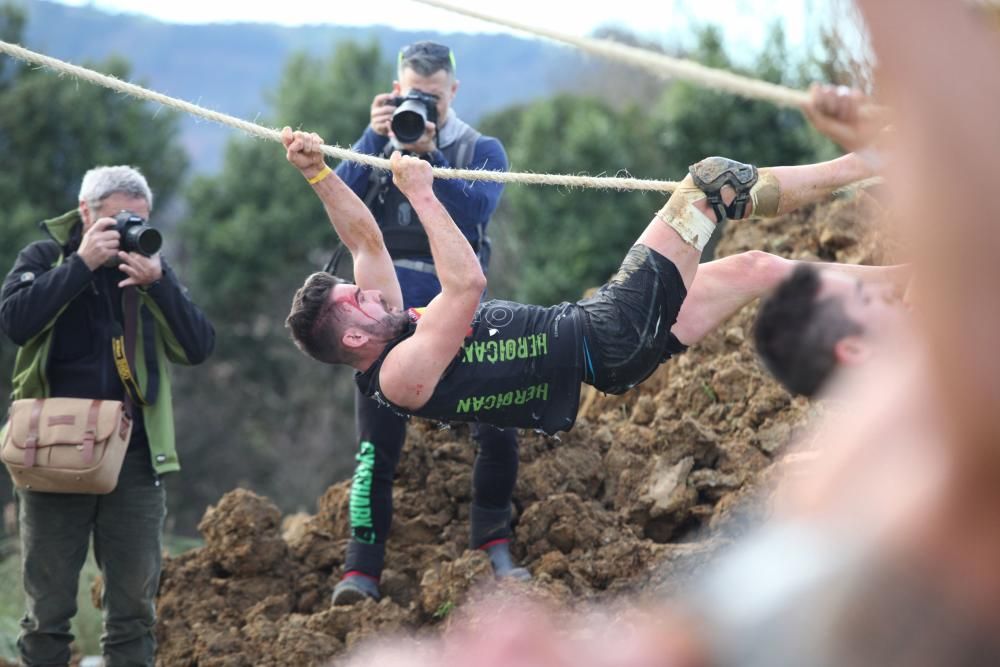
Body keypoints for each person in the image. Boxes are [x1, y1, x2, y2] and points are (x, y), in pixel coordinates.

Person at [282, 126, 894, 440]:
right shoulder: (398, 374)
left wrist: (317, 173)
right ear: (354, 342)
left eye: (356, 289)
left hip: (604, 333)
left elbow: (365, 240)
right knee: (712, 183)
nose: (369, 293)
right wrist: (421, 193)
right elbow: (465, 284)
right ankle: (870, 162)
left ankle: (907, 284)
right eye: (356, 302)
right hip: (607, 339)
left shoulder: (382, 325)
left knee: (754, 268)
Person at [329, 40, 523, 604]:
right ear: (395, 89)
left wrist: (430, 157)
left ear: (452, 93)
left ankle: (494, 544)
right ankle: (360, 571)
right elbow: (339, 204)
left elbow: (474, 215)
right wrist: (374, 139)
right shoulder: (377, 145)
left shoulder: (480, 147)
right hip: (386, 322)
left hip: (457, 316)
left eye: (433, 98)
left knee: (499, 426)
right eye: (413, 95)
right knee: (375, 449)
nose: (423, 107)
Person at [0, 166, 214, 666]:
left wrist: (158, 284)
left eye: (138, 220)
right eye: (116, 219)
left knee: (134, 609)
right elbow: (15, 322)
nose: (128, 231)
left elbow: (199, 347)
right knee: (47, 610)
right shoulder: (45, 257)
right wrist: (79, 265)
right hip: (50, 453)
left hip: (133, 456)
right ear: (84, 212)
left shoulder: (147, 268)